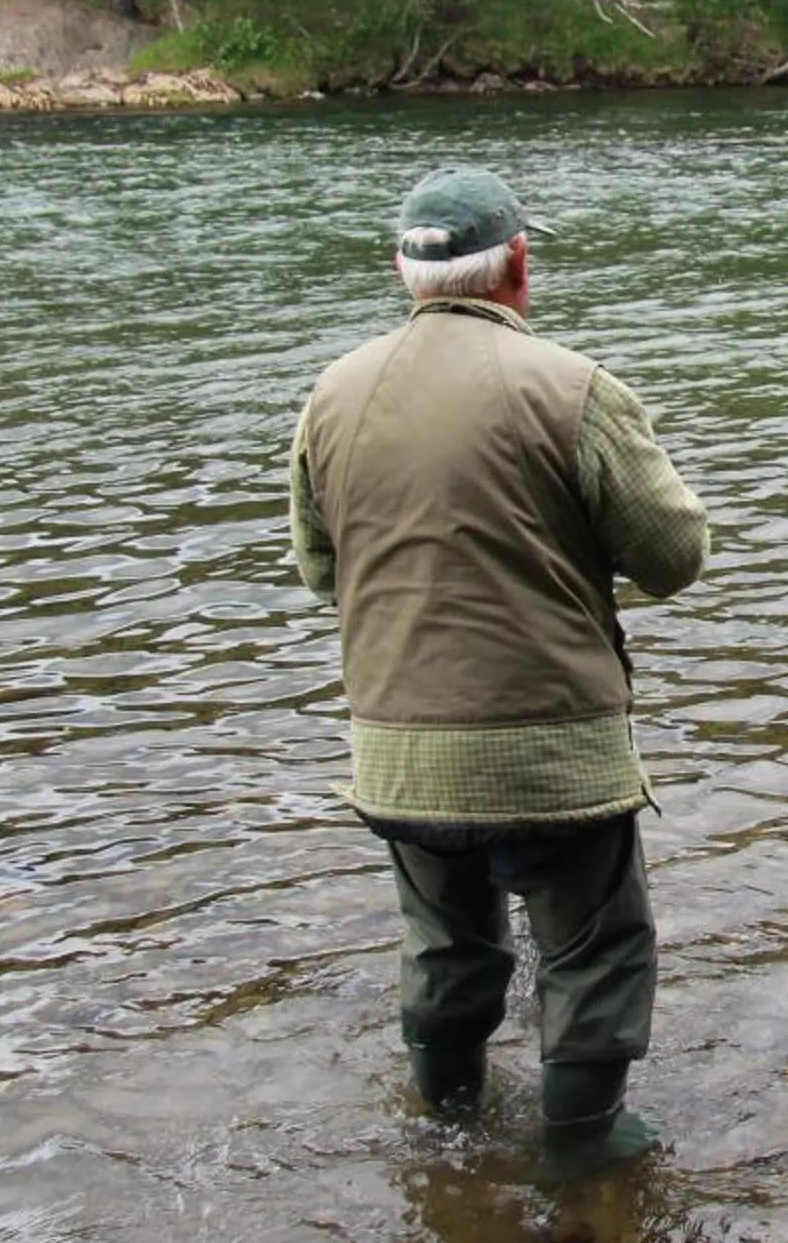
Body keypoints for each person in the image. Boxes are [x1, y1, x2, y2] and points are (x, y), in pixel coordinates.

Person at [289, 165, 707, 1175]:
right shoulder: (575, 388)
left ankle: (446, 1127)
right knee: (593, 948)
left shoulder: (331, 395)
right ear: (518, 264)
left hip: (396, 750)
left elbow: (316, 571)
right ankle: (579, 1148)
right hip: (550, 752)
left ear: (404, 272)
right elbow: (674, 553)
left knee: (442, 938)